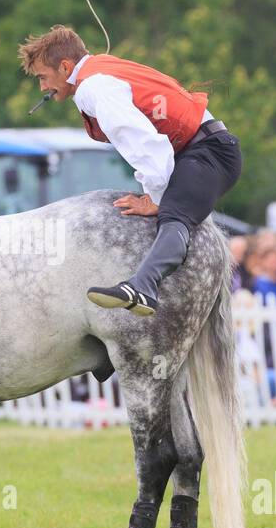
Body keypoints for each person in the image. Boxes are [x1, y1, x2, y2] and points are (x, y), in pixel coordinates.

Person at [17, 25, 242, 315]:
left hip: (209, 152)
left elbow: (142, 141)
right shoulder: (99, 74)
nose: (42, 87)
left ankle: (144, 287)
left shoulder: (92, 87)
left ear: (64, 66)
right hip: (204, 147)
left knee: (172, 213)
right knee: (169, 207)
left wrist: (155, 197)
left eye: (43, 77)